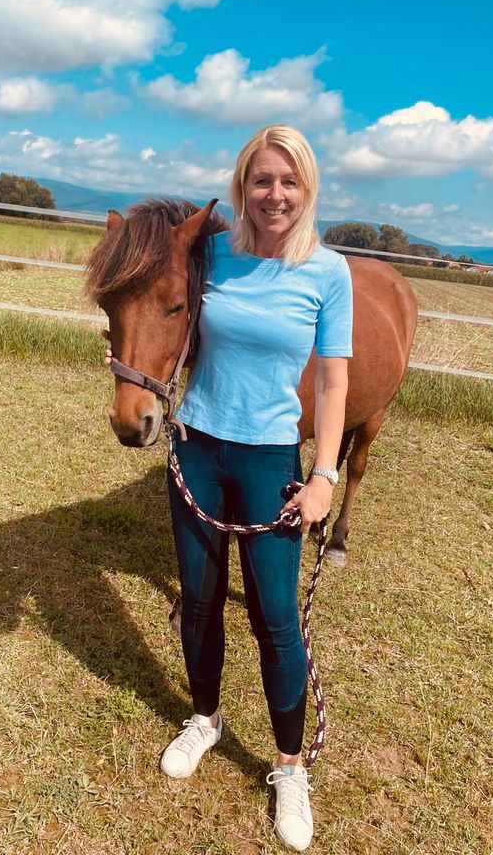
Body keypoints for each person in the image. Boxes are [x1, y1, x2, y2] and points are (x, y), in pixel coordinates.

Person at [107, 124, 352, 851]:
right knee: (201, 600)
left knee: (275, 619)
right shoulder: (209, 252)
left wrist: (323, 476)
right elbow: (144, 286)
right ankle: (206, 719)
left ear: (306, 190)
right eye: (261, 180)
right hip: (198, 449)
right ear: (242, 186)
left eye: (288, 181)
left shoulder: (326, 272)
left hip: (270, 458)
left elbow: (333, 382)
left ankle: (288, 766)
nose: (273, 194)